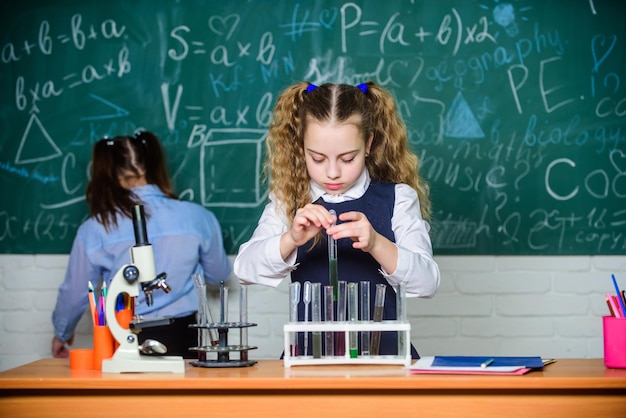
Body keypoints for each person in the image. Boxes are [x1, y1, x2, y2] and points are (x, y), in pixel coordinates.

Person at [234, 81, 440, 358]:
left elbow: (427, 283)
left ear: (368, 144)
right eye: (317, 158)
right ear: (301, 146)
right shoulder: (289, 199)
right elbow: (244, 269)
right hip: (308, 359)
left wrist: (377, 243)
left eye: (347, 158)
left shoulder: (398, 198)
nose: (332, 172)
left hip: (386, 359)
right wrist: (291, 239)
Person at [51, 131, 231, 359]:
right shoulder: (198, 217)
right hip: (184, 335)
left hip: (123, 333)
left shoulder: (95, 228)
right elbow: (219, 275)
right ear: (153, 164)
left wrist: (62, 333)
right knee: (184, 394)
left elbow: (75, 293)